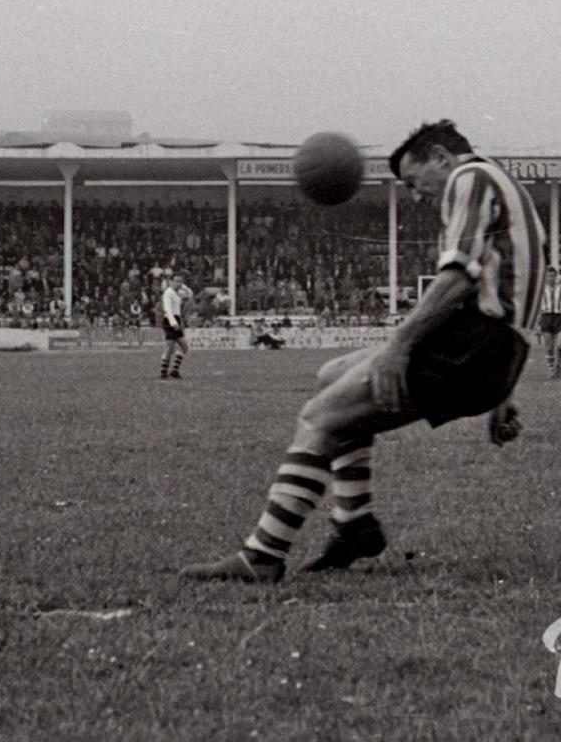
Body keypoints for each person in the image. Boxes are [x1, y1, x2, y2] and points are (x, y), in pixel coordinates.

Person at [182, 120, 546, 583]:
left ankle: (262, 555)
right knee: (332, 374)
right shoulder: (505, 187)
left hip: (472, 346)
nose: (414, 196)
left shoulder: (467, 177)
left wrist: (400, 343)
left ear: (440, 156)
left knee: (319, 417)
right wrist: (502, 387)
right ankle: (355, 524)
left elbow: (459, 277)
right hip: (492, 351)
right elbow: (514, 291)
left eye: (414, 183)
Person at [159, 274, 191, 379]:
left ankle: (174, 370)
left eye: (180, 281)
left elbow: (190, 294)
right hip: (170, 320)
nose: (178, 283)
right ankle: (163, 372)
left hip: (176, 319)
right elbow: (168, 310)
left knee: (185, 347)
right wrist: (174, 323)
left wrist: (184, 286)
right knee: (170, 347)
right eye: (176, 281)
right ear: (171, 281)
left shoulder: (178, 293)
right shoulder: (168, 293)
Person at [540, 265, 561, 378]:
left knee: (560, 344)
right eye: (548, 276)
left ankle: (558, 367)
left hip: (559, 316)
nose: (551, 278)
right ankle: (551, 370)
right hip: (546, 316)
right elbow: (537, 306)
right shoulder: (541, 289)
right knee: (549, 346)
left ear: (556, 276)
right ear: (545, 277)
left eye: (553, 276)